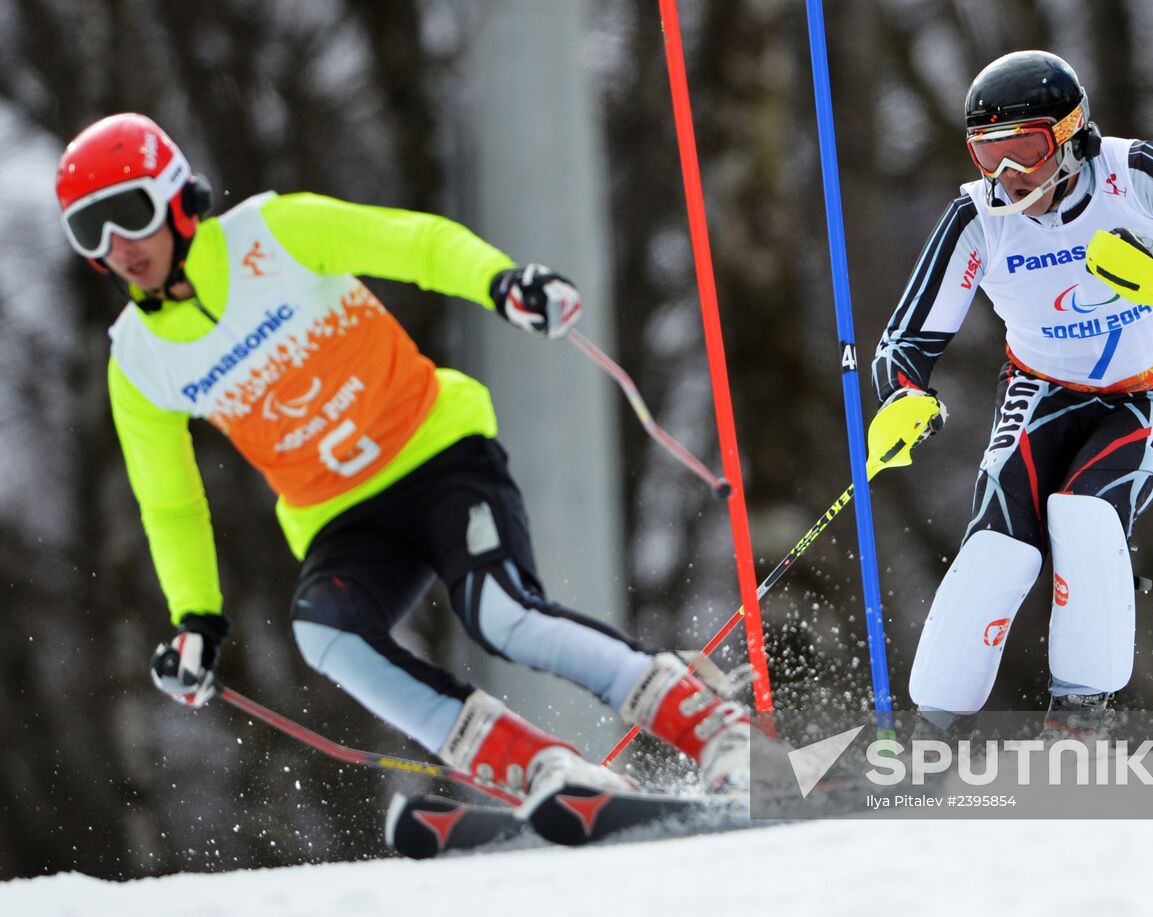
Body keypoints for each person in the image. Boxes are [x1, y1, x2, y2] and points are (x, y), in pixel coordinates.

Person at [55, 112, 751, 800]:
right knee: (325, 634)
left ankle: (715, 727)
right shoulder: (139, 363)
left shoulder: (275, 232)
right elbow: (170, 502)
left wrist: (500, 282)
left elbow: (416, 243)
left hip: (438, 454)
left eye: (128, 212)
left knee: (503, 614)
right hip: (344, 520)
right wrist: (196, 620)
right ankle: (543, 769)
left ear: (179, 199)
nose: (117, 244)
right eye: (91, 229)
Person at [870, 51, 1153, 731]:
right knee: (996, 547)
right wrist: (904, 396)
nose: (1007, 177)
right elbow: (906, 341)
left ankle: (1078, 725)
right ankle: (926, 742)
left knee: (1087, 518)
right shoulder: (978, 216)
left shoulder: (1132, 172)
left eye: (1025, 152)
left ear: (1070, 136)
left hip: (1151, 394)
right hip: (1040, 392)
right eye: (987, 154)